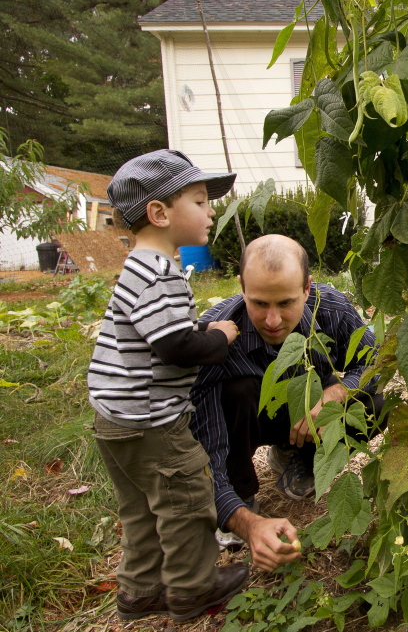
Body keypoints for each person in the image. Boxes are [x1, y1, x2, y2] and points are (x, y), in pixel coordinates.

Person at [88, 150, 249, 622]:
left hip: (115, 420)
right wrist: (217, 337)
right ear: (159, 213)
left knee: (140, 508)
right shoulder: (160, 274)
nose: (211, 210)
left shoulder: (138, 269)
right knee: (185, 500)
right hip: (150, 421)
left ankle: (140, 590)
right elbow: (176, 347)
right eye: (199, 201)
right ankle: (191, 588)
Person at [191, 234, 380, 571]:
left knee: (373, 405)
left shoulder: (332, 308)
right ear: (241, 287)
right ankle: (242, 491)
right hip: (249, 417)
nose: (273, 320)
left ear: (307, 288)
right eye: (260, 304)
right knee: (235, 389)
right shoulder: (213, 333)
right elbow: (200, 443)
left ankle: (302, 459)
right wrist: (239, 519)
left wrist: (335, 393)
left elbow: (373, 361)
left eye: (286, 303)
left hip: (310, 413)